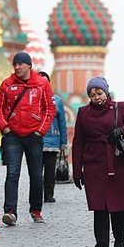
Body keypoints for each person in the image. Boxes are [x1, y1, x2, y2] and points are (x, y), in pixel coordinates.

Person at [71, 77, 124, 247]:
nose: (96, 97)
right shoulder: (84, 113)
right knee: (99, 207)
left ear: (106, 92)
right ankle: (101, 246)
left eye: (99, 93)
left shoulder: (120, 108)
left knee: (119, 206)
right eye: (92, 94)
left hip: (118, 162)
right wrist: (77, 171)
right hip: (94, 164)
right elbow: (78, 142)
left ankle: (120, 237)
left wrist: (122, 130)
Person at [0, 52, 55, 226]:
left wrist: (41, 131)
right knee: (12, 174)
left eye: (21, 64)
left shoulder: (42, 84)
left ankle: (36, 210)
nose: (17, 67)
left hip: (34, 135)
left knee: (36, 176)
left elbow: (49, 109)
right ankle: (10, 212)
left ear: (29, 66)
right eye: (15, 64)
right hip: (13, 135)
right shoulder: (7, 84)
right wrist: (4, 127)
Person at [38, 71, 67, 203]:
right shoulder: (32, 99)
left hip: (52, 142)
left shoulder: (57, 101)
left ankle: (48, 194)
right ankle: (36, 194)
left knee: (50, 170)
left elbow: (62, 123)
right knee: (36, 171)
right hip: (35, 141)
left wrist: (63, 143)